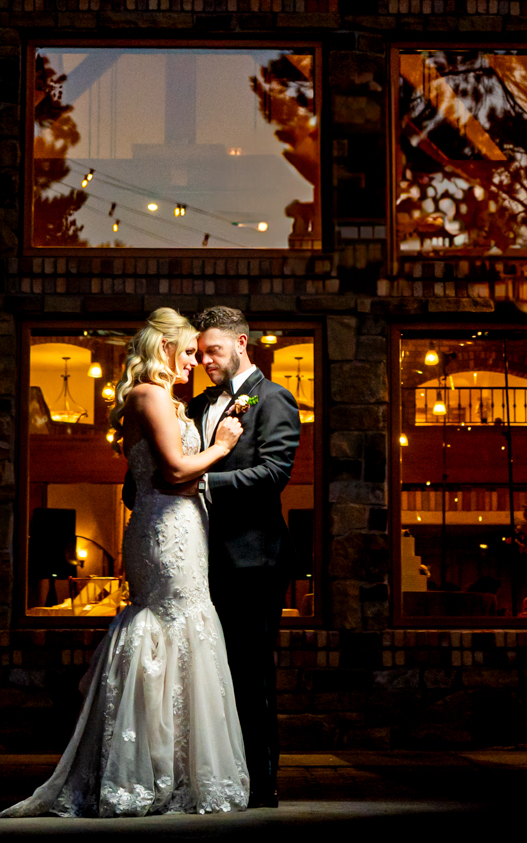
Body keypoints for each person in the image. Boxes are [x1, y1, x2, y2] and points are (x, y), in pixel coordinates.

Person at [0, 309, 250, 817]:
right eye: (186, 352)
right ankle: (137, 772)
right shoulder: (149, 396)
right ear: (164, 349)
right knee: (166, 630)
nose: (194, 362)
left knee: (188, 633)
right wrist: (221, 447)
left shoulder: (165, 400)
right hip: (164, 533)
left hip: (184, 529)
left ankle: (176, 772)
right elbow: (175, 471)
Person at [184, 305, 301, 809]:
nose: (206, 360)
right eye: (201, 352)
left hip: (253, 562)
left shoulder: (274, 399)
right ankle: (217, 778)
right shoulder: (200, 403)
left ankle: (261, 783)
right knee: (208, 675)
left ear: (241, 343)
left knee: (250, 673)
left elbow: (275, 473)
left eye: (214, 351)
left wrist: (201, 482)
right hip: (200, 561)